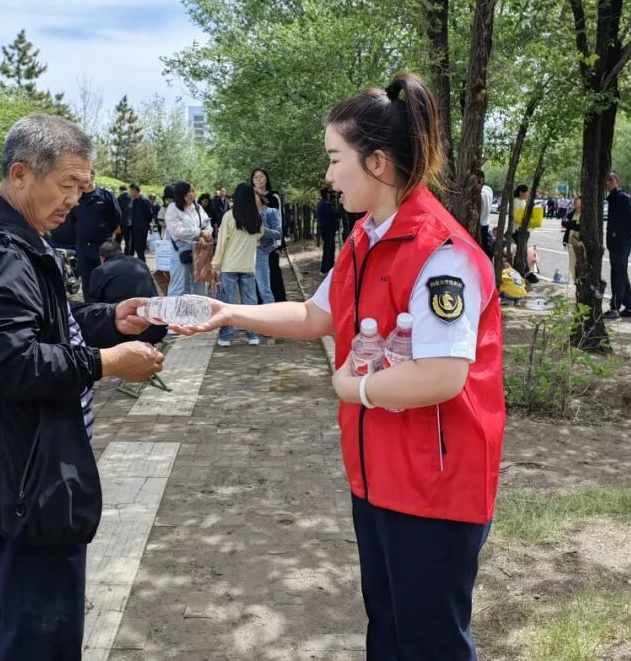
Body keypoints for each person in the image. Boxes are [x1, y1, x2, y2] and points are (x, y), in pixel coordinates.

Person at [176, 73, 504, 659]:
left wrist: (350, 389)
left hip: (434, 484)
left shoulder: (440, 253)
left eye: (335, 159)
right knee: (388, 626)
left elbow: (441, 376)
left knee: (430, 641)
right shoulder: (365, 238)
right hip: (379, 476)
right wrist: (228, 313)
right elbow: (313, 313)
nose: (327, 176)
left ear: (377, 162)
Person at [0, 115, 163, 661]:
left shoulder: (9, 237)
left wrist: (110, 319)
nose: (75, 202)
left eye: (83, 189)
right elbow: (10, 362)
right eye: (67, 185)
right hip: (28, 482)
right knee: (40, 634)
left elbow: (41, 321)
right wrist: (106, 362)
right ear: (20, 174)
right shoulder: (0, 253)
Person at [212, 183, 263, 347]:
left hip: (229, 266)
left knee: (227, 303)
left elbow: (221, 243)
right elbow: (259, 234)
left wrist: (215, 263)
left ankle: (226, 337)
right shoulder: (256, 217)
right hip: (248, 266)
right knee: (250, 302)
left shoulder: (228, 216)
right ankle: (252, 335)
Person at [73, 168, 121, 291]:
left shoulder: (106, 195)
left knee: (106, 278)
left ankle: (107, 307)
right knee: (87, 281)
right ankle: (89, 307)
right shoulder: (76, 196)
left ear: (92, 176)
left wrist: (105, 232)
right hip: (83, 246)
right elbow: (71, 219)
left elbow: (116, 217)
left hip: (103, 245)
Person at [604, 171, 631, 320]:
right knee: (621, 273)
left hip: (621, 241)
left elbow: (630, 218)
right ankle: (630, 306)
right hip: (615, 240)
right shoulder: (613, 197)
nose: (608, 183)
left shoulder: (621, 197)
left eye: (611, 180)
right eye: (606, 180)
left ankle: (614, 308)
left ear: (617, 182)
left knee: (617, 275)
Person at [164, 181, 211, 298]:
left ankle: (197, 313)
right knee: (179, 286)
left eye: (193, 191)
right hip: (181, 250)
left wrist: (206, 233)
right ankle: (174, 313)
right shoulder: (173, 208)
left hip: (200, 250)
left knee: (200, 285)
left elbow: (207, 224)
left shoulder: (198, 207)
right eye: (188, 192)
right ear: (180, 194)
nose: (191, 194)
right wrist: (198, 232)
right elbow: (177, 231)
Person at [251, 168, 287, 302]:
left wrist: (278, 243)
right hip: (252, 246)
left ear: (266, 178)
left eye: (261, 176)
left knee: (273, 273)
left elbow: (279, 220)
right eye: (255, 177)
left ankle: (279, 303)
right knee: (256, 278)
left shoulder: (273, 196)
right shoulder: (248, 197)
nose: (258, 179)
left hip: (270, 243)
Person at [125, 184, 154, 261]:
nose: (129, 193)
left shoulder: (144, 200)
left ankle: (142, 266)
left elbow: (149, 215)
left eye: (130, 191)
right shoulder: (134, 200)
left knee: (140, 249)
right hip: (133, 228)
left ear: (135, 190)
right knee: (132, 247)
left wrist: (144, 223)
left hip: (141, 229)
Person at [315, 186, 340, 274]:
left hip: (325, 227)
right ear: (327, 194)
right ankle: (326, 267)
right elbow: (336, 214)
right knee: (328, 247)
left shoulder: (320, 203)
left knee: (329, 247)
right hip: (328, 228)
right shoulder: (327, 204)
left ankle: (329, 266)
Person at [561, 195, 583, 281]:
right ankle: (575, 282)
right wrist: (575, 223)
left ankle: (580, 282)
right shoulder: (571, 212)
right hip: (570, 241)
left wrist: (572, 224)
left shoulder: (585, 213)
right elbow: (564, 223)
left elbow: (581, 227)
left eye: (576, 200)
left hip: (580, 242)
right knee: (572, 264)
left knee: (581, 263)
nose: (574, 202)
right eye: (574, 200)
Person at [477, 170, 494, 259]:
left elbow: (481, 209)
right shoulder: (488, 189)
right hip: (486, 222)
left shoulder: (479, 193)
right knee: (484, 245)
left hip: (480, 223)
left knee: (479, 246)